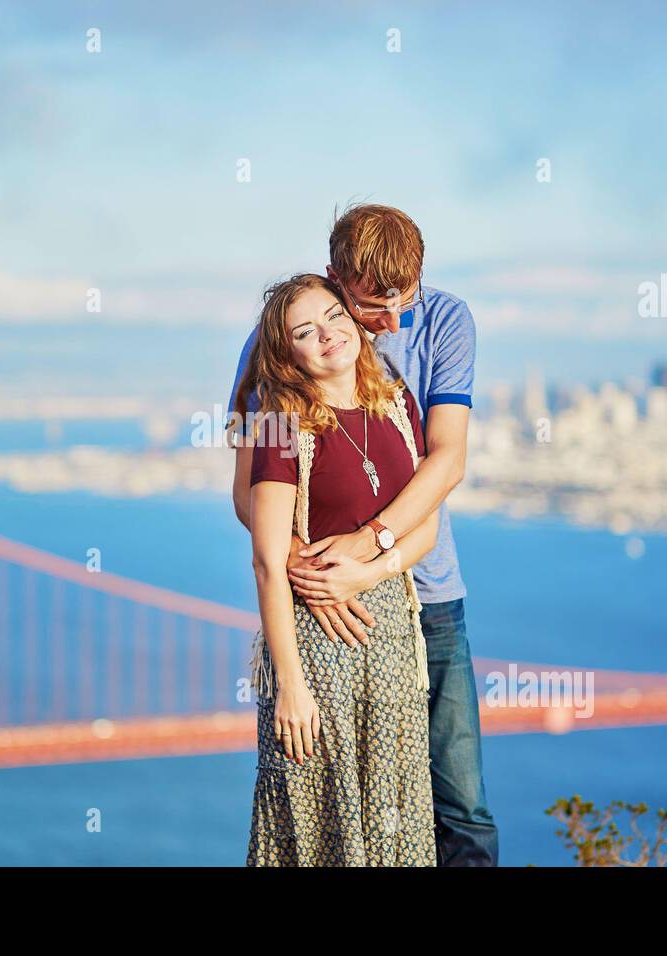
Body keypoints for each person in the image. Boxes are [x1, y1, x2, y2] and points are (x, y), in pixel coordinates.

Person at [228, 203, 499, 867]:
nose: (390, 324)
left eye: (402, 304)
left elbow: (448, 462)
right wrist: (314, 573)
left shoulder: (438, 332)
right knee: (332, 811)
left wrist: (370, 553)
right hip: (327, 617)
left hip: (426, 602)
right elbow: (250, 493)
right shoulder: (281, 353)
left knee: (456, 807)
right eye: (370, 308)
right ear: (335, 279)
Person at [240, 273, 437, 866]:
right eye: (305, 331)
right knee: (318, 828)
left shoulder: (397, 402)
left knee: (394, 821)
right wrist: (290, 686)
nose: (327, 335)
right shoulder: (279, 420)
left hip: (395, 642)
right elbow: (270, 562)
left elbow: (424, 526)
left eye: (333, 316)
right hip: (316, 652)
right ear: (287, 352)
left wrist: (367, 573)